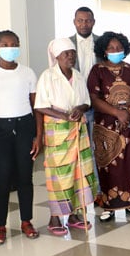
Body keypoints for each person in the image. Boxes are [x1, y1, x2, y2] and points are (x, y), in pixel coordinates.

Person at [0, 30, 43, 245]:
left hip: (24, 126)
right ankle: (0, 226)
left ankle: (26, 221)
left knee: (26, 177)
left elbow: (37, 108)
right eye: (5, 44)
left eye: (14, 44)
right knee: (2, 179)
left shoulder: (27, 73)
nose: (10, 47)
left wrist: (38, 135)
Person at [35, 38, 97, 235]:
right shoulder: (47, 76)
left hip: (77, 130)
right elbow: (40, 105)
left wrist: (79, 109)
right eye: (66, 54)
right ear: (57, 56)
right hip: (58, 131)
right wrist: (65, 116)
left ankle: (75, 215)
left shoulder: (78, 75)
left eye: (72, 53)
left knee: (79, 171)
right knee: (60, 174)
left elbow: (86, 102)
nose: (71, 57)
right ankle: (55, 219)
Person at [88, 32, 130, 222]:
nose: (116, 51)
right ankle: (109, 205)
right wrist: (117, 113)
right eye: (111, 48)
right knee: (109, 165)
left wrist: (129, 112)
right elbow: (93, 98)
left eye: (119, 48)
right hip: (106, 126)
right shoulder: (97, 70)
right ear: (104, 52)